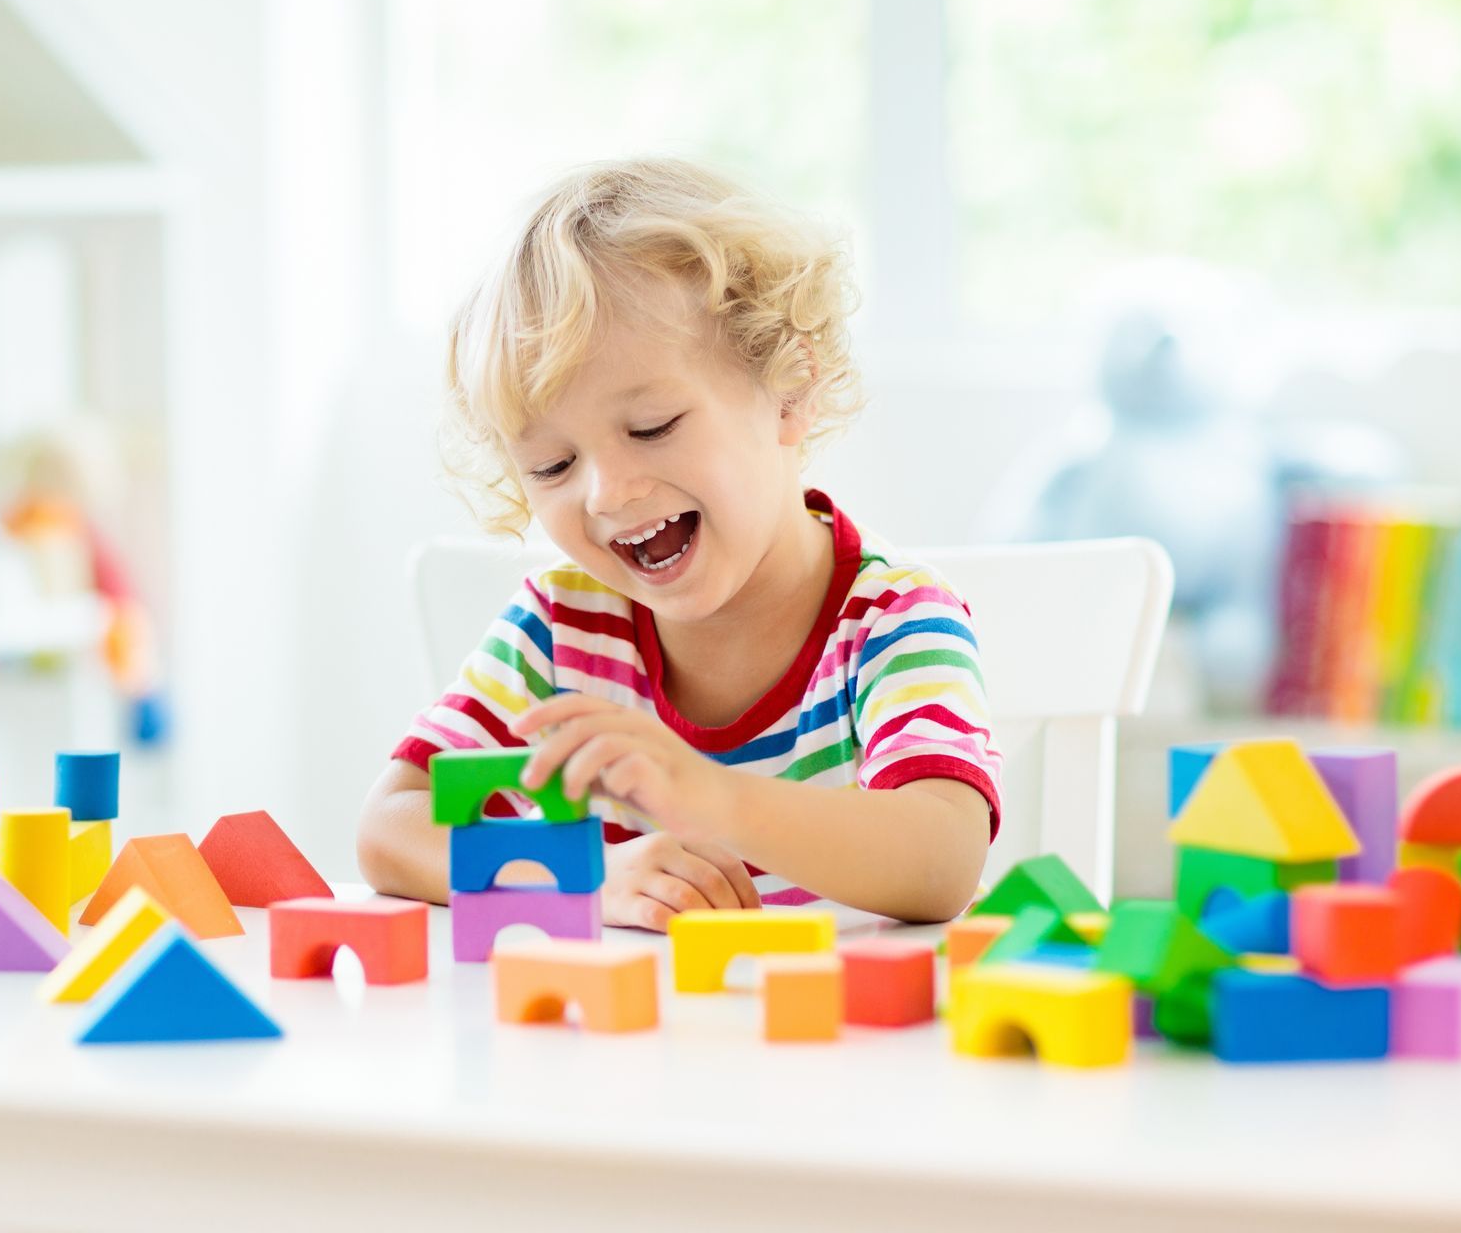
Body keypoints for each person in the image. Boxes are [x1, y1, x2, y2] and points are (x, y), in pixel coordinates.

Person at [357, 158, 1001, 928]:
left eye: (652, 427)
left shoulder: (892, 618)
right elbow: (391, 828)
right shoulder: (561, 628)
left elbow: (943, 860)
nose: (605, 493)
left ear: (790, 390)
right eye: (553, 465)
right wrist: (584, 880)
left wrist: (714, 798)